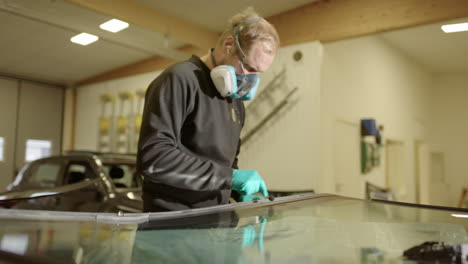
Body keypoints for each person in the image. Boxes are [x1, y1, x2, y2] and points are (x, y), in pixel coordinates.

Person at [136, 7, 280, 212]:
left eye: (257, 73)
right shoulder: (180, 79)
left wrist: (238, 191)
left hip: (215, 221)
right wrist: (230, 178)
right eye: (248, 68)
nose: (249, 79)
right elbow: (155, 158)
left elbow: (227, 164)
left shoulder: (235, 102)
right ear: (229, 45)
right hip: (172, 226)